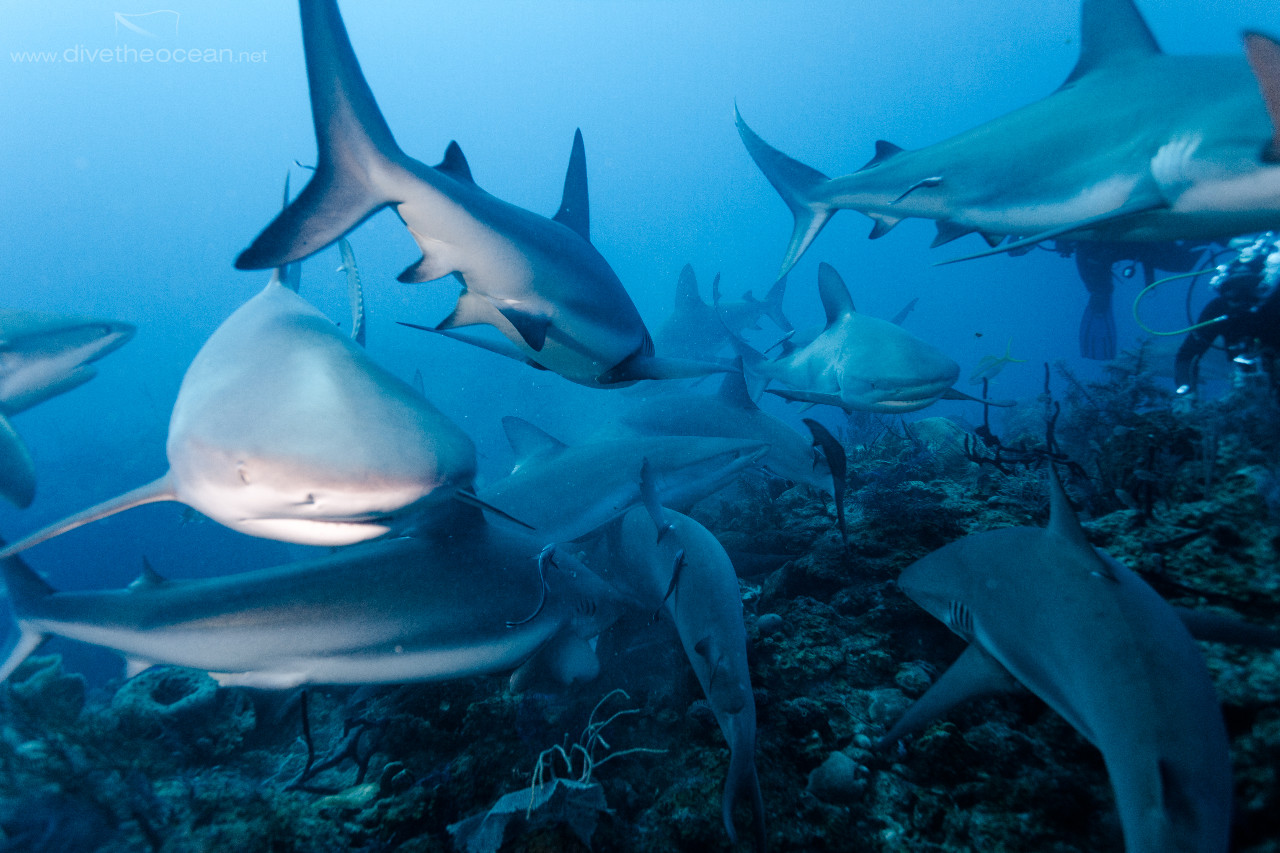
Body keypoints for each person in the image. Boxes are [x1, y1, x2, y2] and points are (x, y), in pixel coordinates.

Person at [1173, 232, 1280, 401]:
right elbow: (1187, 355)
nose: (1242, 302)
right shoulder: (1219, 309)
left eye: (1249, 291)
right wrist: (1186, 393)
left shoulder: (1275, 303)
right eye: (1234, 295)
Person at [1069, 240, 1207, 361]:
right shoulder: (1087, 250)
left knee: (1182, 263)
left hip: (1131, 238)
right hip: (1123, 242)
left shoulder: (1087, 249)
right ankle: (1209, 237)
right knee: (1182, 263)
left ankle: (1210, 235)